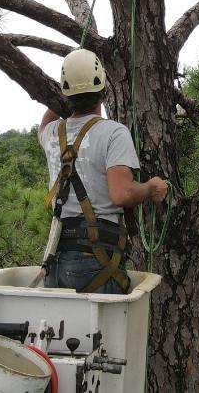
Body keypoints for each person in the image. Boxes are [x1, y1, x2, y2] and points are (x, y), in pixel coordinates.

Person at [37, 48, 168, 294]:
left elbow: (43, 124)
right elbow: (121, 194)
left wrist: (63, 95)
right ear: (104, 90)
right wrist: (151, 187)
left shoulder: (53, 133)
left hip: (57, 261)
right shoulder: (113, 133)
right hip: (96, 260)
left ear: (67, 94)